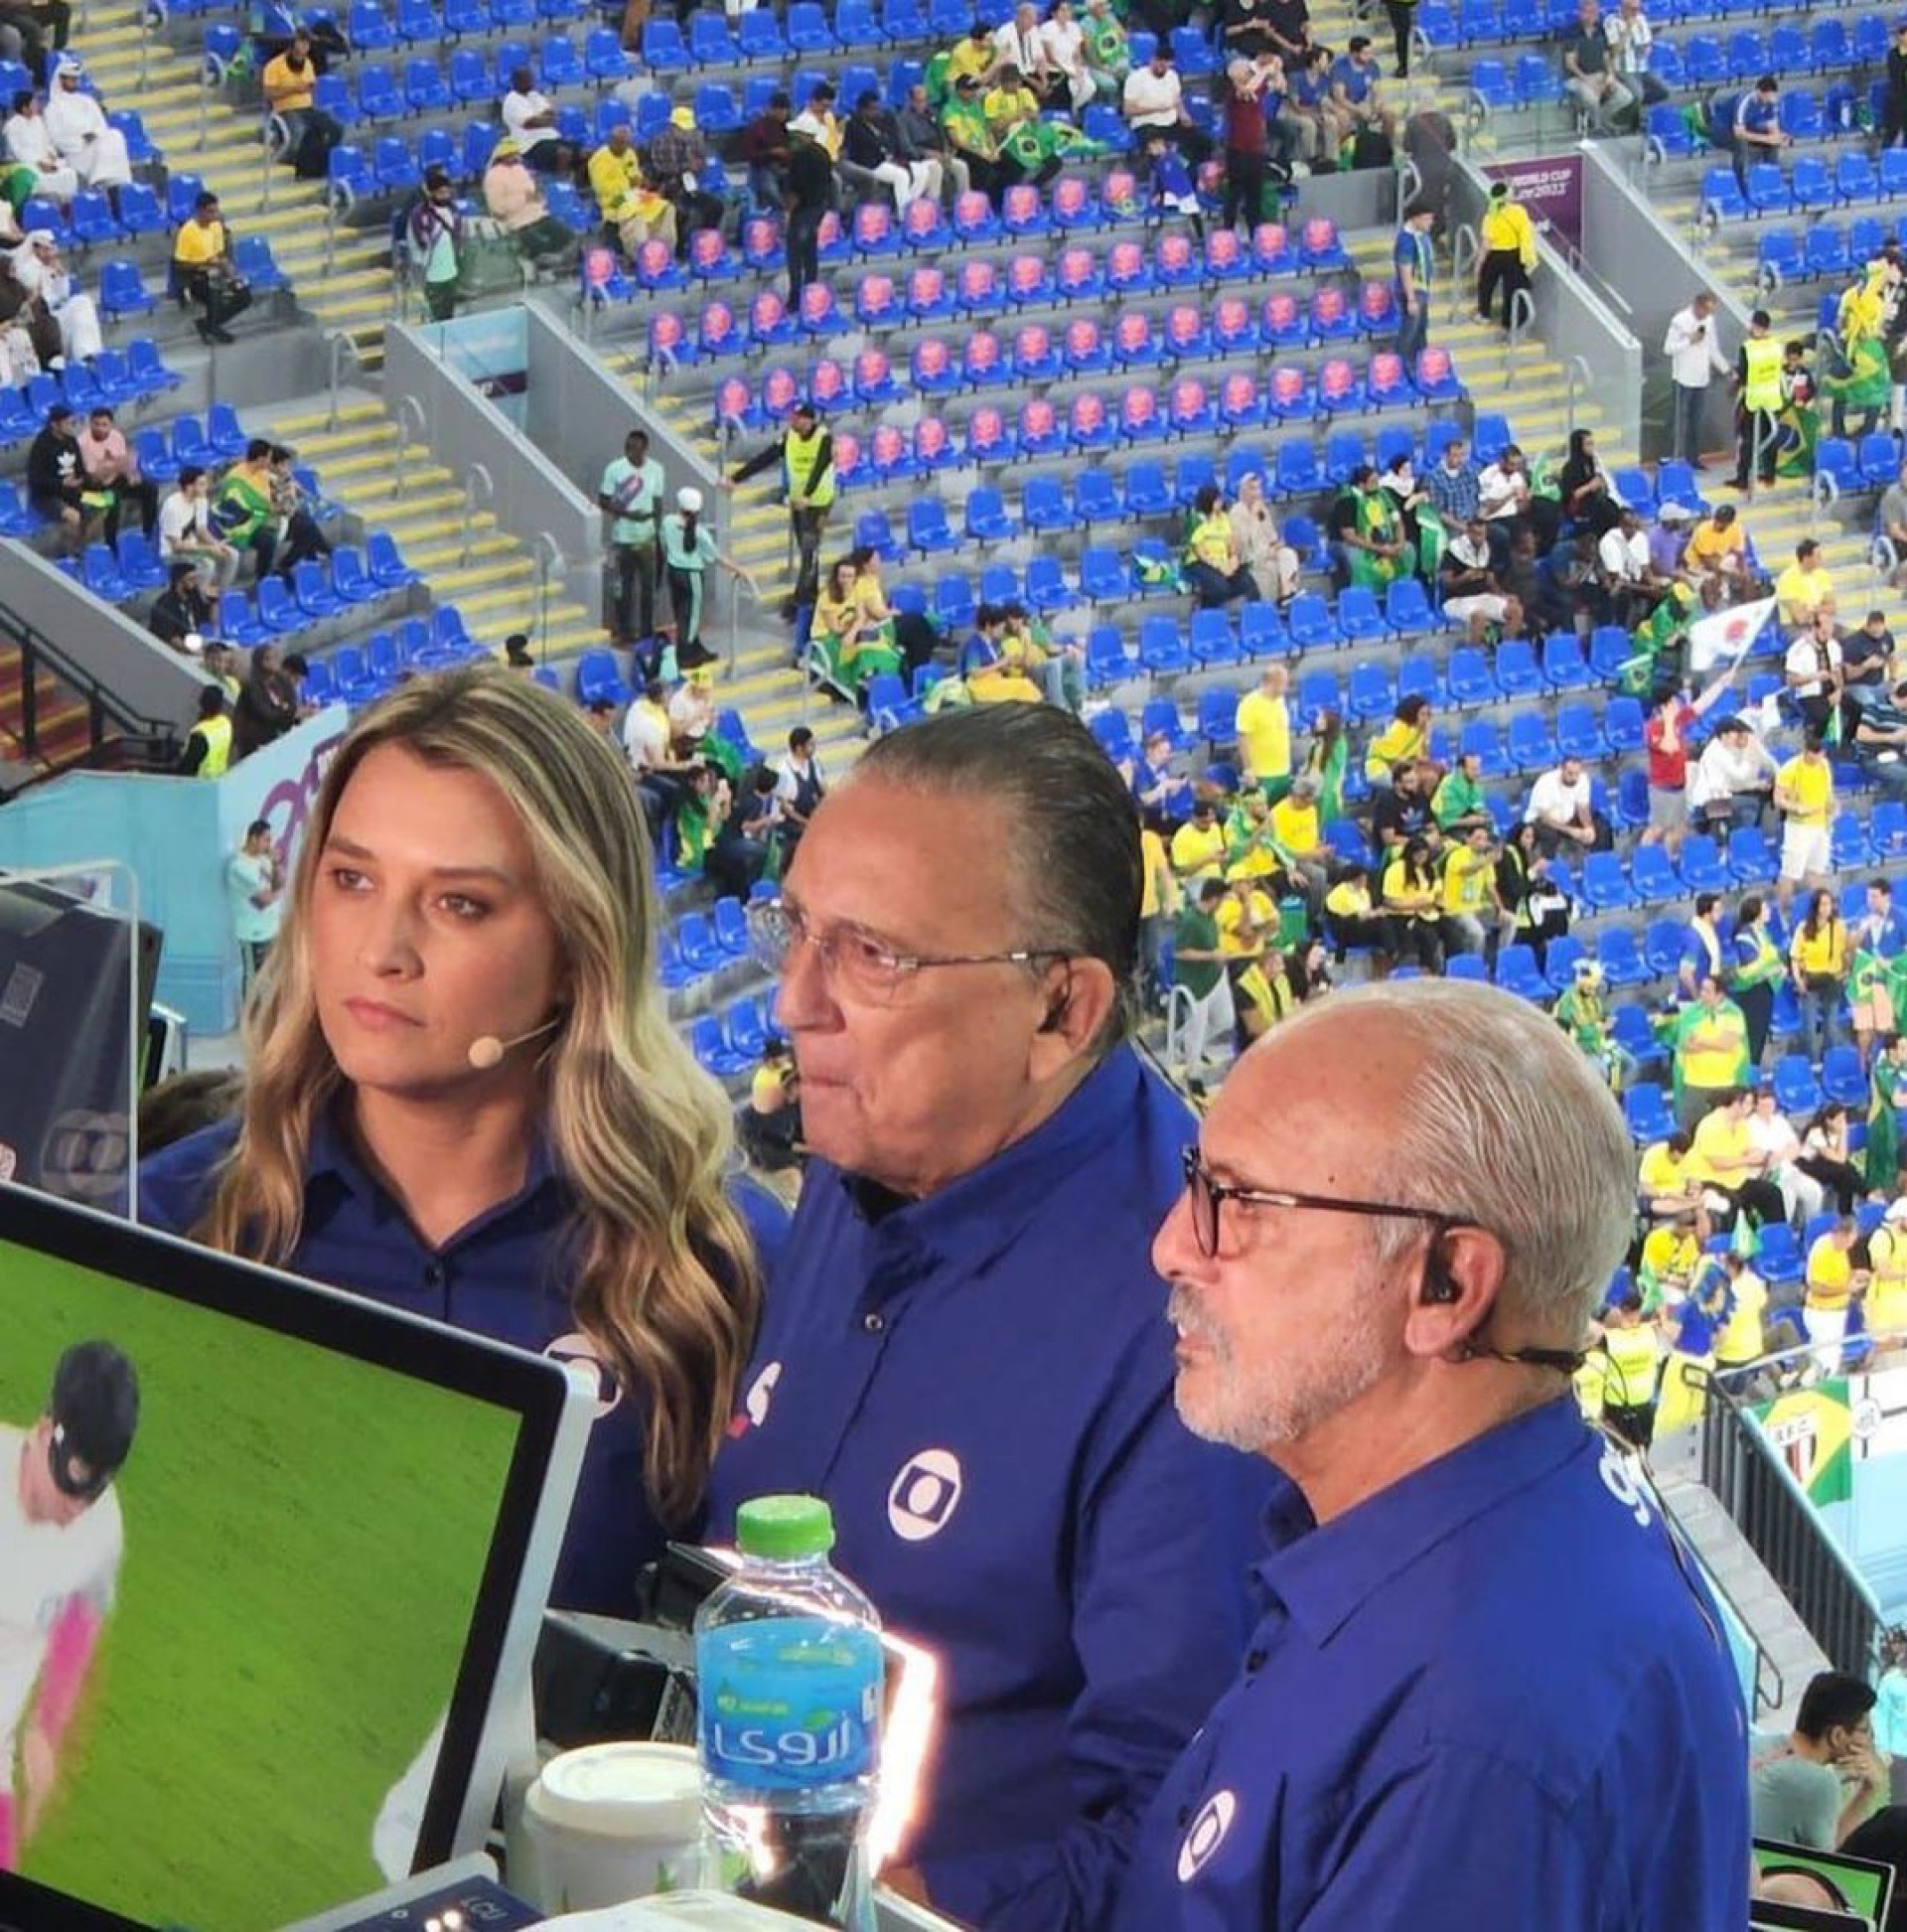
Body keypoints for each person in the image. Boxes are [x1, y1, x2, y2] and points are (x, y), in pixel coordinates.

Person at [705, 707, 1268, 1927]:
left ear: (1062, 1008)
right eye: (795, 930)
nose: (793, 1001)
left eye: (872, 957)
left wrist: (857, 1912)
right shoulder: (872, 1166)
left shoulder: (1193, 1320)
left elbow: (1176, 1848)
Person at [139, 669, 783, 1615]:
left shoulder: (724, 1263)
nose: (383, 949)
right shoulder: (165, 1214)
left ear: (577, 950)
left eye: (460, 903)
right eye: (351, 880)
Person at [1113, 979, 1749, 1930]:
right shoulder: (1454, 1533)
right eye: (1197, 1182)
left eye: (1237, 1203)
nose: (1173, 1244)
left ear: (1446, 1284)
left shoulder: (1475, 1738)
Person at [0, 1341, 139, 1874]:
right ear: (44, 1430)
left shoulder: (102, 1531)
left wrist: (45, 1728)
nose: (72, 1517)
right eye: (65, 1494)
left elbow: (83, 1613)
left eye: (88, 1501)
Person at [1751, 1673, 1889, 1851]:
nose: (1870, 1742)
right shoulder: (1819, 1783)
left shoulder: (1757, 1745)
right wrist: (1868, 1791)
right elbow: (1829, 1861)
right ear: (1837, 1735)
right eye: (1865, 1731)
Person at [729, 398, 834, 615]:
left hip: (819, 503)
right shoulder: (790, 437)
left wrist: (807, 495)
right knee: (806, 550)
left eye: (797, 417)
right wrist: (736, 478)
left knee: (809, 550)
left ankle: (801, 601)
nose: (792, 421)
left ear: (808, 419)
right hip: (798, 503)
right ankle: (809, 595)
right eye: (791, 417)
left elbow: (820, 468)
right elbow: (766, 458)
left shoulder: (824, 438)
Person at [660, 485, 751, 664]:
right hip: (691, 575)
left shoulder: (668, 522)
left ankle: (694, 646)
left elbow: (663, 541)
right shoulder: (699, 533)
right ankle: (686, 653)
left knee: (680, 612)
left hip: (673, 571)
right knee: (691, 615)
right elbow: (716, 557)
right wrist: (738, 569)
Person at [598, 427, 664, 653]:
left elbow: (658, 503)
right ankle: (623, 631)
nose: (630, 452)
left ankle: (646, 632)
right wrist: (628, 515)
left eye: (635, 448)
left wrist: (657, 530)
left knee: (647, 589)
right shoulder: (615, 469)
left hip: (647, 538)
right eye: (627, 448)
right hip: (623, 538)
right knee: (623, 588)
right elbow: (604, 501)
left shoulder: (656, 470)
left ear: (644, 449)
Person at [482, 138, 575, 267]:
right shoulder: (493, 177)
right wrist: (523, 200)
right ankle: (544, 268)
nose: (516, 157)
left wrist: (538, 198)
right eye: (512, 154)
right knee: (540, 245)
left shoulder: (520, 169)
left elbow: (532, 192)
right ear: (503, 156)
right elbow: (497, 209)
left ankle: (562, 263)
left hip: (538, 214)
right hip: (515, 222)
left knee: (566, 236)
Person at [587, 124, 676, 260]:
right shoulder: (599, 161)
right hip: (613, 203)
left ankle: (664, 250)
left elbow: (635, 176)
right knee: (637, 216)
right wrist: (630, 195)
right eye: (621, 143)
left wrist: (642, 183)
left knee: (666, 207)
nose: (624, 147)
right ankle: (641, 255)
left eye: (626, 143)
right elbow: (604, 193)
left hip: (634, 196)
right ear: (612, 141)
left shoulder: (629, 153)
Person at [43, 58, 131, 194]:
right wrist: (81, 141)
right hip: (76, 153)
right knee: (107, 145)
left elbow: (101, 126)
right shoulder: (52, 108)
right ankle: (102, 183)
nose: (74, 82)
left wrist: (94, 136)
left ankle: (114, 184)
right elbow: (56, 139)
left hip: (97, 146)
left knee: (115, 135)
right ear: (61, 80)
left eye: (75, 79)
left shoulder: (87, 101)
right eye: (70, 79)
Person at [1775, 729, 1835, 918]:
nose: (1818, 757)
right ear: (1806, 751)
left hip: (1821, 825)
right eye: (1814, 753)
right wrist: (1796, 807)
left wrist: (1832, 804)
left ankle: (1820, 911)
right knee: (1790, 872)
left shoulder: (1824, 765)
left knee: (1816, 871)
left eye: (1821, 753)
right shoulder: (1790, 769)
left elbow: (1828, 791)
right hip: (1798, 827)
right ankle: (1784, 912)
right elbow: (1778, 799)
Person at [226, 817, 283, 992]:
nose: (269, 845)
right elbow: (264, 900)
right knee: (254, 980)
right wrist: (276, 891)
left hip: (271, 930)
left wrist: (275, 863)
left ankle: (265, 1017)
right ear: (253, 839)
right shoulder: (239, 867)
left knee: (269, 981)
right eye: (266, 840)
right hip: (253, 935)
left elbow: (279, 884)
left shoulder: (264, 860)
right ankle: (250, 1018)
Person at [1561, 0, 1635, 133]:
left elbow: (1606, 57)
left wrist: (1610, 75)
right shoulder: (1571, 32)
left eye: (1594, 12)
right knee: (1592, 98)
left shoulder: (1601, 30)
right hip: (1578, 78)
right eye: (1588, 12)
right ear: (1581, 13)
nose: (1591, 16)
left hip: (1599, 75)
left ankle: (1600, 121)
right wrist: (1587, 81)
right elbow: (1570, 63)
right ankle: (1598, 126)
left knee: (1625, 97)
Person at [1732, 307, 1783, 494]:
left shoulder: (1748, 348)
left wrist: (1736, 380)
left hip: (1753, 399)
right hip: (1772, 398)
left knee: (1748, 440)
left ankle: (1743, 479)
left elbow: (1743, 375)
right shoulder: (1777, 346)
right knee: (1770, 438)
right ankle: (1769, 475)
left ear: (1755, 325)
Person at [1184, 484, 1258, 608]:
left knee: (1247, 582)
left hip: (1224, 561)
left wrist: (1233, 560)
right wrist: (1220, 567)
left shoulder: (1224, 518)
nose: (1220, 502)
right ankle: (1204, 610)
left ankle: (1257, 615)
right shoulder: (1196, 520)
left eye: (1220, 499)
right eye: (1217, 500)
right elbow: (1199, 552)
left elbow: (1231, 543)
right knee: (1220, 588)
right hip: (1200, 563)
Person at [1476, 179, 1537, 331]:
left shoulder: (1491, 216)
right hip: (1514, 255)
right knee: (1512, 289)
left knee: (1486, 284)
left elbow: (1486, 243)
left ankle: (1484, 314)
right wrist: (1528, 258)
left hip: (1495, 255)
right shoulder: (1519, 211)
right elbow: (1526, 233)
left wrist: (1479, 263)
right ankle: (1508, 322)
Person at [1393, 201, 1435, 369]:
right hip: (1412, 291)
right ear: (1415, 219)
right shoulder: (1406, 241)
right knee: (1410, 331)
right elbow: (1405, 269)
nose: (1430, 223)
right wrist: (1411, 298)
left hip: (1423, 288)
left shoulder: (1421, 234)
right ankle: (1400, 365)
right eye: (1427, 219)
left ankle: (1419, 361)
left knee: (1421, 329)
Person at [176, 684, 233, 777]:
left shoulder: (200, 734)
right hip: (219, 780)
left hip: (200, 784)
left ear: (201, 702)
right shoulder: (226, 723)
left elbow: (187, 768)